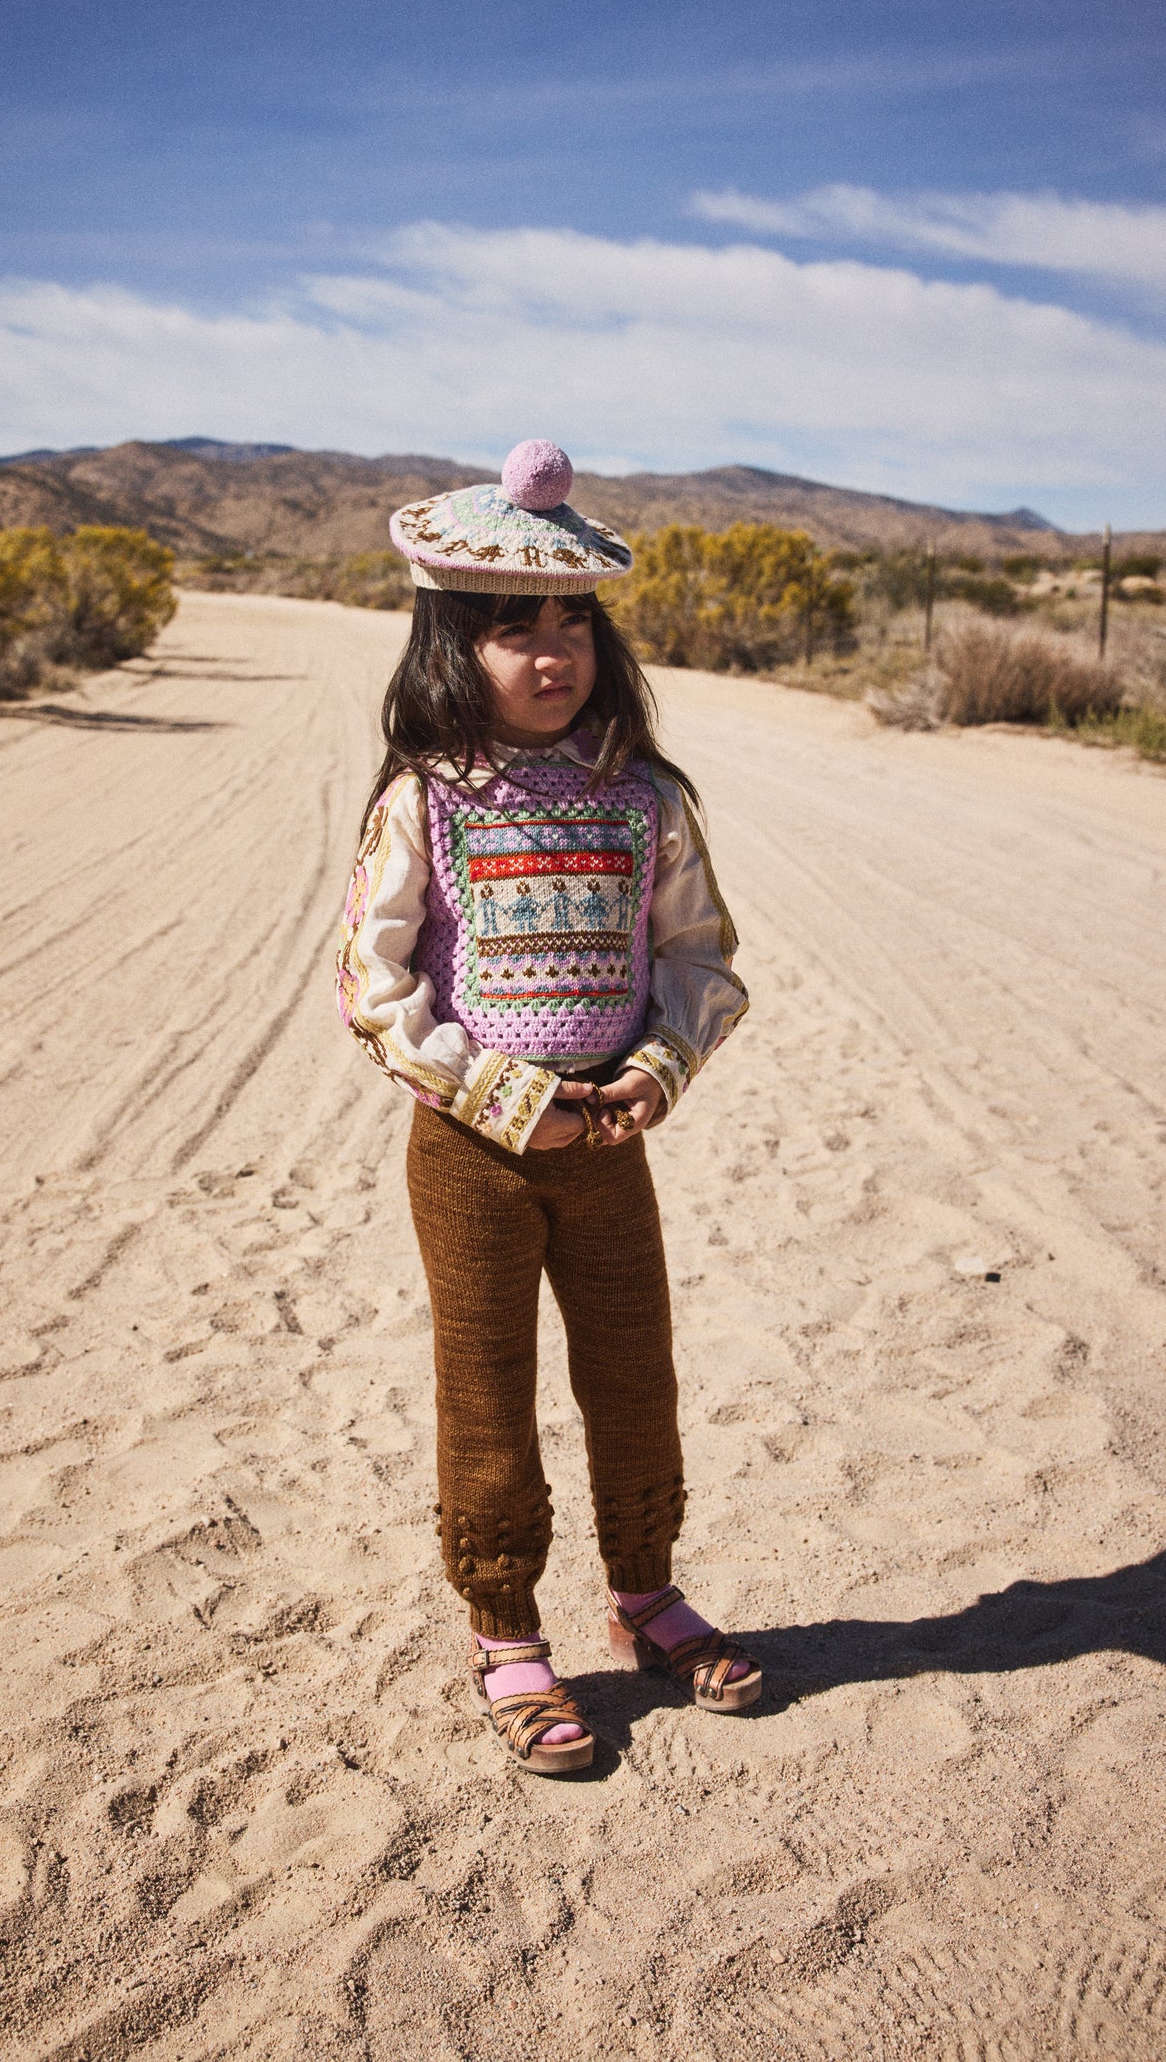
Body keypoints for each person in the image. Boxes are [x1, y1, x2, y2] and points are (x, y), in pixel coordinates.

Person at [337, 441, 759, 1776]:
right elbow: (374, 981)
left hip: (609, 1143)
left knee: (635, 1376)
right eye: (510, 628)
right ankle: (505, 1631)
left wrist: (648, 1071)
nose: (547, 653)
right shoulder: (426, 801)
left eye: (570, 622)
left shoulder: (646, 801)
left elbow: (697, 959)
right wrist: (508, 1097)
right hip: (472, 1154)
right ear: (450, 647)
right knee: (488, 1392)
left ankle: (644, 1592)